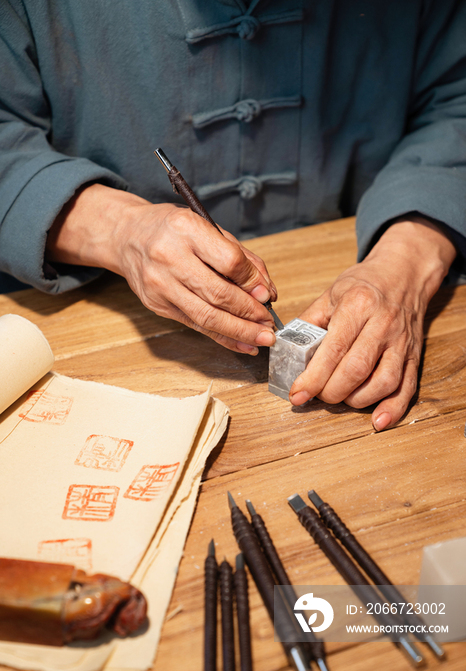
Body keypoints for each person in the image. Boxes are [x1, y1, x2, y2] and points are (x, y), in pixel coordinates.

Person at [1, 1, 465, 432]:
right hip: (75, 322)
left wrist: (409, 258)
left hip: (352, 251)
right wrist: (118, 228)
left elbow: (457, 103)